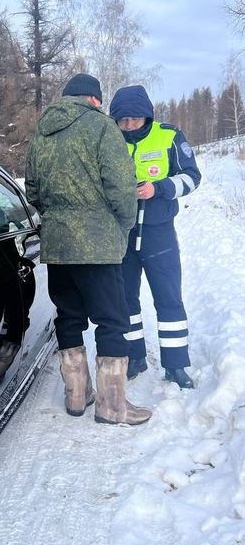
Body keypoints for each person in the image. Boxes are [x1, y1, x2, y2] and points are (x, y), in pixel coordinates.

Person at [25, 73, 152, 426]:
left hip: (59, 246)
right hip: (98, 246)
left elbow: (32, 191)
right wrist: (123, 226)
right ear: (95, 100)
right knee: (112, 320)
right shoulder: (102, 127)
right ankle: (113, 407)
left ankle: (77, 397)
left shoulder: (42, 133)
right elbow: (120, 187)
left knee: (69, 317)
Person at [109, 84, 201, 389]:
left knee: (169, 299)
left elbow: (191, 177)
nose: (129, 126)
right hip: (123, 235)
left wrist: (157, 188)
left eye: (134, 120)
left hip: (159, 235)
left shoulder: (169, 136)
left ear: (146, 116)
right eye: (122, 121)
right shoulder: (109, 141)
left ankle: (176, 365)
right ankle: (135, 358)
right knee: (125, 301)